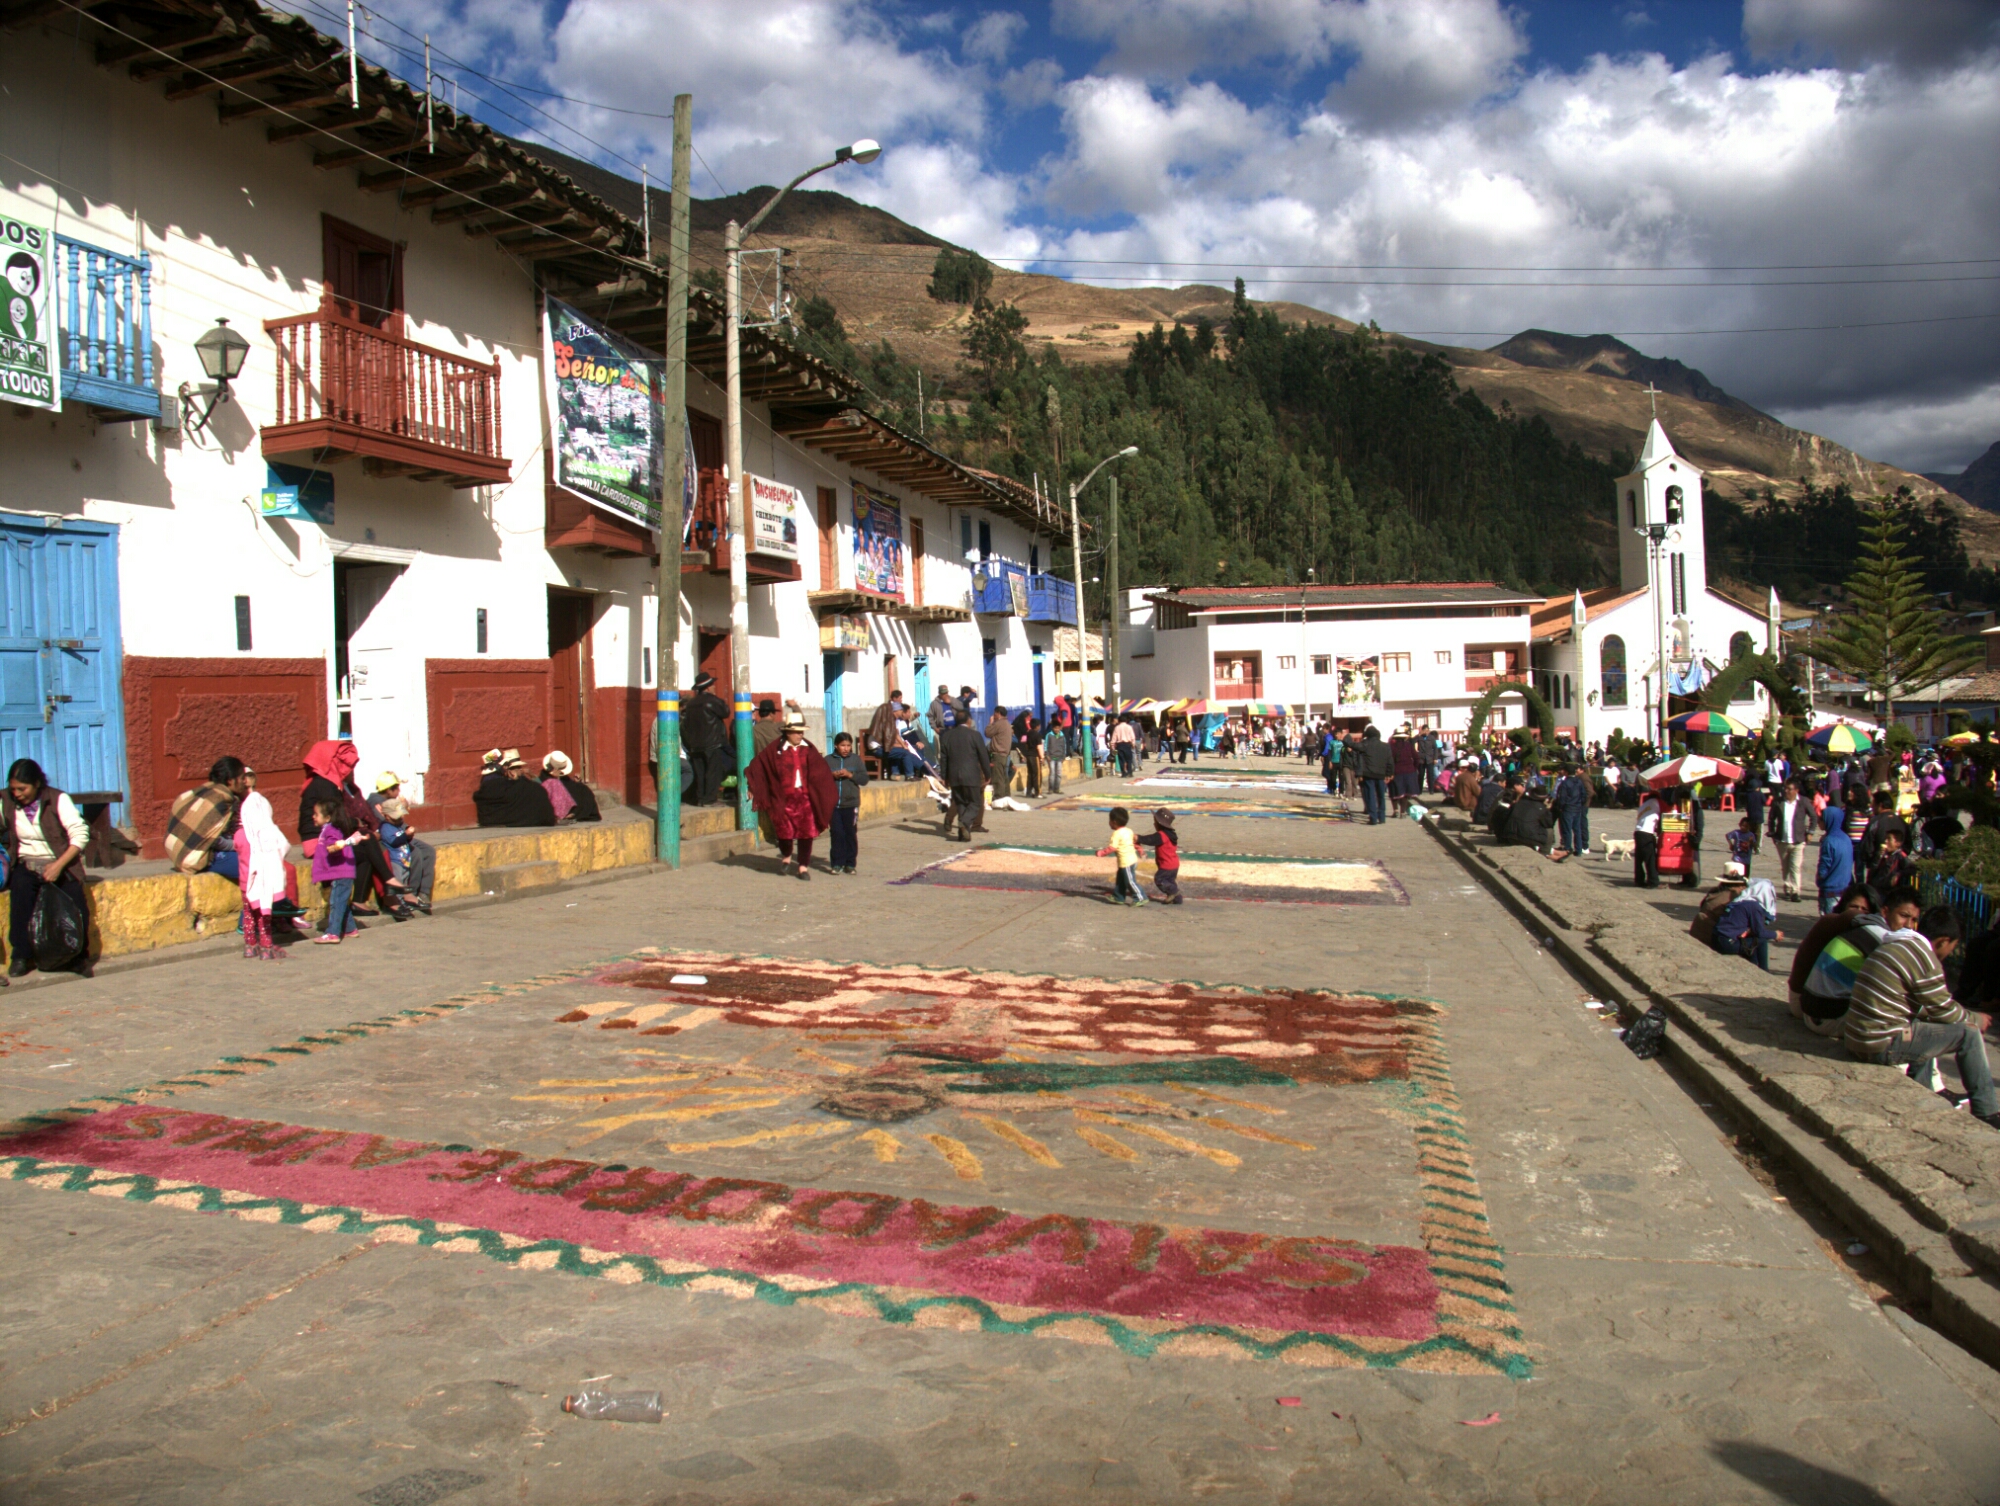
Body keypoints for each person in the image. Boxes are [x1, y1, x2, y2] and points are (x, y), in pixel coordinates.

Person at [1845, 905, 2000, 1127]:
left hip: (1860, 1037)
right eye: (1953, 947)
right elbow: (1944, 1010)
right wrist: (1976, 1019)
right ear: (1943, 941)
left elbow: (1931, 1009)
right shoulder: (1923, 958)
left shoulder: (1898, 945)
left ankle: (1923, 1090)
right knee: (1969, 1034)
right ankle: (1987, 1111)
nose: (1950, 953)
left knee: (1927, 1029)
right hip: (1880, 1042)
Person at [299, 740, 410, 918]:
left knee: (366, 846)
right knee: (367, 841)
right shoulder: (327, 786)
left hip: (322, 839)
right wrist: (357, 823)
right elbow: (339, 820)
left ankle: (362, 899)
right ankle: (388, 882)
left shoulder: (319, 783)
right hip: (320, 843)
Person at [2, 758, 92, 979]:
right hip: (27, 862)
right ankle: (21, 956)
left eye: (22, 789)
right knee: (21, 894)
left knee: (76, 902)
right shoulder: (5, 801)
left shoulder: (58, 799)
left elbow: (80, 835)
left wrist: (58, 866)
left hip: (61, 861)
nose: (17, 794)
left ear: (37, 784)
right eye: (13, 789)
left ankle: (77, 956)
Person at [1791, 883, 1893, 1038]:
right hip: (1804, 1004)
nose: (1859, 913)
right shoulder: (1832, 924)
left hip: (1813, 1003)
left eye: (1865, 910)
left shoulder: (1855, 931)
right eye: (1854, 907)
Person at [746, 709, 836, 878]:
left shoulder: (809, 749)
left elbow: (821, 772)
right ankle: (786, 856)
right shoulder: (775, 749)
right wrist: (754, 786)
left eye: (801, 732)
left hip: (805, 798)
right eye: (796, 732)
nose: (800, 735)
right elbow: (758, 766)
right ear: (788, 732)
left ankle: (803, 866)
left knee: (806, 833)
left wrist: (824, 792)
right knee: (784, 832)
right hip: (783, 799)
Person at [236, 771, 295, 960]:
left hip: (247, 875)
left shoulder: (241, 829)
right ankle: (266, 947)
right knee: (264, 911)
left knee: (249, 912)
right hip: (263, 872)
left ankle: (250, 946)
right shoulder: (262, 815)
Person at [166, 757, 251, 878]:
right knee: (256, 866)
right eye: (242, 778)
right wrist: (236, 845)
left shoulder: (206, 791)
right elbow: (215, 840)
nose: (245, 782)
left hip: (178, 853)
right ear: (231, 781)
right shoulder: (222, 799)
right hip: (195, 857)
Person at [368, 774, 435, 913]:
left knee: (425, 852)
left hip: (401, 841)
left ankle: (418, 893)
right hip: (395, 848)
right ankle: (404, 898)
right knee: (410, 862)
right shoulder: (380, 806)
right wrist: (405, 834)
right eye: (397, 788)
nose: (399, 791)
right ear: (389, 790)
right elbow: (392, 835)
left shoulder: (390, 803)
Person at [310, 797, 363, 945]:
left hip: (341, 873)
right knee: (341, 901)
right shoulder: (327, 829)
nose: (313, 817)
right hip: (341, 872)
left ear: (327, 817)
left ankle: (333, 932)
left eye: (316, 814)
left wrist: (334, 847)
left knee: (336, 902)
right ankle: (350, 929)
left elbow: (335, 845)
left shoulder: (331, 830)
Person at [938, 704, 990, 842]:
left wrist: (944, 777)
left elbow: (943, 758)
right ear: (969, 720)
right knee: (975, 803)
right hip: (971, 775)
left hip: (954, 775)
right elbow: (983, 756)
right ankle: (964, 823)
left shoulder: (947, 736)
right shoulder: (975, 735)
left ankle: (963, 834)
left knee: (961, 803)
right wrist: (988, 774)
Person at [472, 748, 556, 829]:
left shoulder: (488, 781)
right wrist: (520, 780)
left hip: (487, 819)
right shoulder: (500, 783)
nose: (519, 770)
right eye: (515, 768)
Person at [683, 672, 732, 806]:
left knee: (699, 773)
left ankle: (700, 798)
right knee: (713, 772)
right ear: (708, 687)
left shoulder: (691, 704)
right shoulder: (712, 701)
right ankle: (709, 799)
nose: (714, 687)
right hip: (712, 743)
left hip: (695, 744)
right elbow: (726, 712)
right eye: (713, 685)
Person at [1712, 878, 1782, 970]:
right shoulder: (1753, 906)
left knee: (1752, 941)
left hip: (1716, 940)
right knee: (1761, 940)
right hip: (1726, 943)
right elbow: (1759, 932)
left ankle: (1753, 966)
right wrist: (1775, 934)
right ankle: (1764, 970)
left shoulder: (1741, 901)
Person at [825, 730, 868, 874]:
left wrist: (850, 775)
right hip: (833, 804)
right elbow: (819, 779)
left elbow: (864, 779)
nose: (846, 748)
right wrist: (831, 776)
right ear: (836, 745)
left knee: (850, 833)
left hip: (851, 804)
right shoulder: (828, 760)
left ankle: (850, 864)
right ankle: (837, 863)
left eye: (848, 745)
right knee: (836, 833)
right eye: (843, 745)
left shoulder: (856, 760)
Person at [1768, 779, 1813, 903]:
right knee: (1785, 866)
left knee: (1795, 867)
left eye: (1789, 789)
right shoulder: (1778, 802)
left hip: (1798, 841)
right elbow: (1771, 818)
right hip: (1782, 841)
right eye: (1785, 788)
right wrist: (1772, 834)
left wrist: (1810, 832)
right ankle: (1787, 889)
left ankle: (1795, 891)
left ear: (1796, 791)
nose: (1786, 791)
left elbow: (1813, 816)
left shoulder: (1803, 801)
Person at [1097, 806, 1146, 906]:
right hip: (1131, 860)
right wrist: (1141, 851)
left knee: (1130, 881)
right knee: (1121, 879)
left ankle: (1140, 897)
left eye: (1110, 820)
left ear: (1114, 822)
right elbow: (1135, 843)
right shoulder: (1129, 831)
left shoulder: (1116, 834)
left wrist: (1101, 853)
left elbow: (1112, 848)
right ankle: (1118, 897)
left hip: (1126, 862)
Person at [1135, 807, 1183, 904]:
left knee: (1159, 879)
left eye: (1155, 822)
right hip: (1174, 864)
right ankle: (1177, 898)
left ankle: (1174, 892)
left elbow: (1150, 839)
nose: (1154, 824)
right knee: (1170, 881)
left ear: (1159, 823)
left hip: (1167, 865)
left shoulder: (1162, 835)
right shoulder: (1171, 835)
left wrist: (1138, 838)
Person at [1816, 804, 1854, 914]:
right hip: (1844, 887)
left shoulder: (1829, 841)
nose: (1819, 821)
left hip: (1830, 889)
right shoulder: (1846, 838)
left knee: (1829, 920)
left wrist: (1819, 878)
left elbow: (1824, 867)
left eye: (1821, 819)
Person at [542, 752, 601, 822]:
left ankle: (573, 813)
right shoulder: (546, 781)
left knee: (583, 789)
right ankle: (571, 813)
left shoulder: (564, 779)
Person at [1355, 725, 1394, 825]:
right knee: (1381, 796)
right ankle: (1382, 817)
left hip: (1368, 774)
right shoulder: (1385, 746)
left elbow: (1360, 760)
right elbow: (1390, 761)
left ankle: (1373, 817)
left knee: (1370, 795)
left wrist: (1359, 774)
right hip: (1381, 774)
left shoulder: (1364, 745)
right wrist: (1389, 773)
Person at [1552, 764, 1591, 855]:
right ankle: (1579, 849)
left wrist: (1560, 807)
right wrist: (1580, 803)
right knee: (1577, 829)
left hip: (1567, 808)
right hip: (1577, 807)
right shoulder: (1579, 781)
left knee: (1567, 829)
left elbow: (1562, 797)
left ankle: (1568, 848)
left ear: (1566, 772)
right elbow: (1584, 795)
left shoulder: (1565, 783)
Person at [1867, 828, 1916, 894]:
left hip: (1889, 891)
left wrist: (1898, 875)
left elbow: (1911, 868)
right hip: (1877, 889)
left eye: (1889, 839)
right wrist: (1879, 857)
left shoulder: (1900, 855)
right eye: (1885, 838)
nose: (1885, 841)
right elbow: (1872, 869)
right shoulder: (1884, 855)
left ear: (1897, 843)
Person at [1633, 787, 1663, 889]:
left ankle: (1639, 880)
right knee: (1650, 859)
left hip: (1638, 832)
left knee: (1639, 858)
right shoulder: (1657, 803)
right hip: (1647, 833)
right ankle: (1653, 882)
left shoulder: (1643, 805)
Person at [987, 708, 1017, 801]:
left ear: (999, 713)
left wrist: (991, 722)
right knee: (1004, 777)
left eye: (995, 714)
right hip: (1005, 755)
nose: (994, 715)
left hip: (998, 754)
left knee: (998, 778)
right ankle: (1006, 796)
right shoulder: (1007, 724)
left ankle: (998, 798)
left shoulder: (999, 724)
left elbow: (987, 733)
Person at [1044, 721, 1066, 795]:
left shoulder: (1062, 736)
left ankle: (1057, 789)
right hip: (1051, 757)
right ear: (1052, 728)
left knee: (1059, 774)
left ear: (1060, 728)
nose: (1056, 729)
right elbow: (1046, 745)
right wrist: (1047, 755)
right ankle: (1050, 789)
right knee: (1052, 773)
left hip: (1059, 757)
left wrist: (1063, 756)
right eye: (1055, 728)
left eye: (1058, 728)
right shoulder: (1049, 735)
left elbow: (1064, 746)